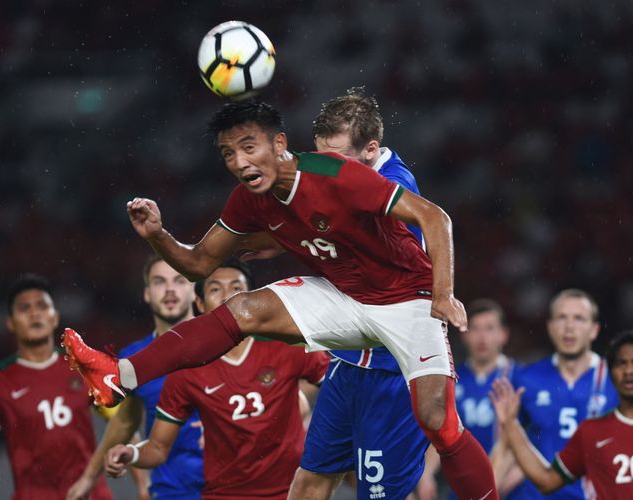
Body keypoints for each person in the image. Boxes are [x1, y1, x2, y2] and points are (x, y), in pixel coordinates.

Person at [63, 100, 498, 499]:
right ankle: (119, 375)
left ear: (280, 144)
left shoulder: (339, 174)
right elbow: (198, 265)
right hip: (348, 298)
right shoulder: (249, 201)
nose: (239, 162)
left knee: (436, 419)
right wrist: (158, 235)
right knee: (244, 308)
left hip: (409, 301)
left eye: (248, 147)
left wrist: (444, 296)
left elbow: (434, 217)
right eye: (228, 154)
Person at [258, 88, 428, 500]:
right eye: (321, 156)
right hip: (349, 363)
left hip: (392, 369)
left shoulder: (394, 190)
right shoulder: (347, 177)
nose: (326, 169)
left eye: (338, 159)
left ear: (371, 150)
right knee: (309, 483)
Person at [103, 262, 330, 499]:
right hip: (223, 494)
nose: (227, 298)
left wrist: (324, 434)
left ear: (253, 299)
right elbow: (158, 448)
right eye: (215, 289)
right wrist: (130, 453)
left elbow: (341, 388)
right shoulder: (186, 369)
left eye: (236, 289)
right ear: (199, 304)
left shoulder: (287, 347)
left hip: (289, 493)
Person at [490, 330, 633, 499]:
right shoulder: (591, 431)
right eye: (621, 364)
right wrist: (511, 425)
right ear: (611, 373)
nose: (628, 371)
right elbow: (546, 480)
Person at [67, 255, 203, 500]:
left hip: (231, 486)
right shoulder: (132, 359)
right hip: (172, 491)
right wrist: (89, 477)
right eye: (160, 282)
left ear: (194, 291)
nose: (170, 289)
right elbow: (125, 421)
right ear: (147, 294)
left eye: (179, 281)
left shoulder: (221, 344)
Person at [0, 274, 112, 500]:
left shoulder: (83, 367)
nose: (35, 313)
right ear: (10, 323)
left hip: (90, 495)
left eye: (42, 306)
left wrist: (142, 486)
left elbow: (121, 423)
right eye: (24, 308)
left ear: (55, 317)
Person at [502, 288, 619, 499]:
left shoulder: (617, 381)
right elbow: (507, 444)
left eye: (579, 318)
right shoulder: (526, 378)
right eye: (561, 318)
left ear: (594, 330)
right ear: (549, 327)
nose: (569, 327)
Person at [421, 298, 521, 499]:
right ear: (464, 334)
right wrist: (426, 475)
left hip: (511, 490)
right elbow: (439, 432)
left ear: (503, 335)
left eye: (490, 328)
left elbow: (532, 437)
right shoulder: (450, 378)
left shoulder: (520, 378)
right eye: (475, 329)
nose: (482, 337)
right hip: (463, 487)